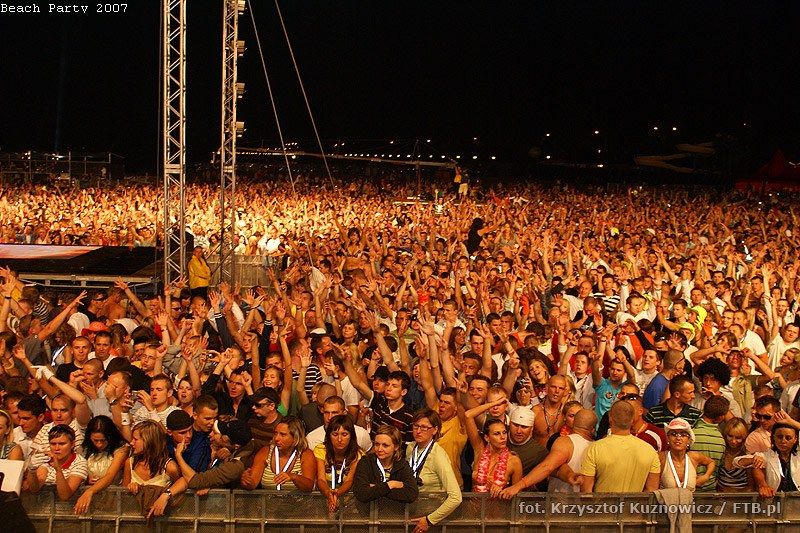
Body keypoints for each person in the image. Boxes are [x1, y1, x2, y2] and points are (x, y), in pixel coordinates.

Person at [500, 408, 597, 498]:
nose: (519, 430)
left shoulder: (563, 442)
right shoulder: (597, 448)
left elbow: (549, 467)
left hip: (559, 504)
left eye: (524, 426)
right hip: (586, 506)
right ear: (593, 429)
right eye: (515, 425)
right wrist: (570, 475)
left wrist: (517, 486)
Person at [580, 400, 661, 493]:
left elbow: (586, 491)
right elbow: (652, 490)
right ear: (632, 420)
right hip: (635, 502)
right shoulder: (650, 451)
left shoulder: (594, 449)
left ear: (610, 418)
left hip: (603, 502)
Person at [406, 409, 462, 533]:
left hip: (431, 518)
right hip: (412, 512)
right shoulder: (411, 447)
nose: (418, 431)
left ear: (435, 430)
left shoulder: (438, 455)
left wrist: (430, 520)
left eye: (424, 427)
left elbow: (456, 497)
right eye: (416, 426)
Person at [240, 416, 316, 491]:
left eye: (283, 435)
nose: (276, 438)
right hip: (269, 499)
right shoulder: (265, 452)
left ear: (295, 437)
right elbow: (252, 484)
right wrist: (247, 481)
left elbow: (308, 486)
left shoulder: (305, 454)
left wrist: (294, 477)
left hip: (297, 499)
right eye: (276, 433)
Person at [464, 402, 523, 496]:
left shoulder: (514, 461)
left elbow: (517, 494)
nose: (503, 437)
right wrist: (495, 403)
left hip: (499, 504)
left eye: (504, 432)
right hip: (474, 504)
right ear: (487, 438)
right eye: (497, 434)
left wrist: (503, 491)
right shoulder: (479, 450)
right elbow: (468, 415)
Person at [74, 415, 129, 514]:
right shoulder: (84, 449)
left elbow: (110, 476)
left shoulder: (122, 448)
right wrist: (86, 478)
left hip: (114, 500)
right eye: (95, 440)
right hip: (89, 503)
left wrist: (90, 491)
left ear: (110, 436)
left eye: (103, 440)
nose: (99, 444)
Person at [352, 424, 418, 504]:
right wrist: (391, 484)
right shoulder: (366, 462)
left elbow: (411, 494)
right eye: (377, 444)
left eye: (385, 445)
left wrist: (375, 488)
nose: (379, 449)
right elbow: (361, 494)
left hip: (395, 511)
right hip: (368, 511)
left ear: (396, 447)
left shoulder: (402, 465)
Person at [314, 414, 363, 513]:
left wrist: (337, 493)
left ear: (351, 436)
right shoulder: (321, 450)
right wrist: (328, 493)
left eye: (344, 434)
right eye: (335, 434)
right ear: (329, 435)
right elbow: (321, 479)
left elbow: (349, 480)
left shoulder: (358, 455)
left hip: (348, 502)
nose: (339, 439)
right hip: (323, 498)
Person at [25, 424, 88, 501]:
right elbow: (34, 488)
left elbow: (64, 496)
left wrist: (58, 469)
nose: (57, 448)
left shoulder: (80, 462)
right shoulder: (45, 458)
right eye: (53, 444)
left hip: (67, 508)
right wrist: (31, 470)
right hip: (42, 506)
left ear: (72, 444)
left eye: (62, 444)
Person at [658, 418, 716, 492]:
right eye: (673, 434)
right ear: (668, 438)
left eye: (683, 435)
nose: (678, 438)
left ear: (689, 440)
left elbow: (711, 462)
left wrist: (706, 476)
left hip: (690, 499)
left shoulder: (694, 457)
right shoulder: (661, 457)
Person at [123, 420, 180, 492]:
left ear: (148, 441)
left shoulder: (170, 467)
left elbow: (180, 494)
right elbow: (122, 494)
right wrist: (130, 487)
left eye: (135, 439)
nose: (131, 443)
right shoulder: (130, 463)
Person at [746, 423, 800, 498]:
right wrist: (763, 485)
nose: (783, 441)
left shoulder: (798, 455)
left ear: (795, 439)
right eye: (779, 437)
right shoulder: (766, 455)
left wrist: (789, 421)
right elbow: (736, 461)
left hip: (797, 500)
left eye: (788, 438)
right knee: (756, 465)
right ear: (773, 437)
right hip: (774, 500)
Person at [690, 395, 728, 492]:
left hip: (689, 490)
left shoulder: (689, 435)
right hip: (711, 492)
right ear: (721, 417)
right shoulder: (722, 440)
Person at [716, 417, 755, 492]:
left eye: (738, 438)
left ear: (744, 438)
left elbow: (751, 488)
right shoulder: (721, 450)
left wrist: (733, 492)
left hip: (741, 497)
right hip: (720, 497)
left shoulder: (747, 454)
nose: (733, 441)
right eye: (730, 436)